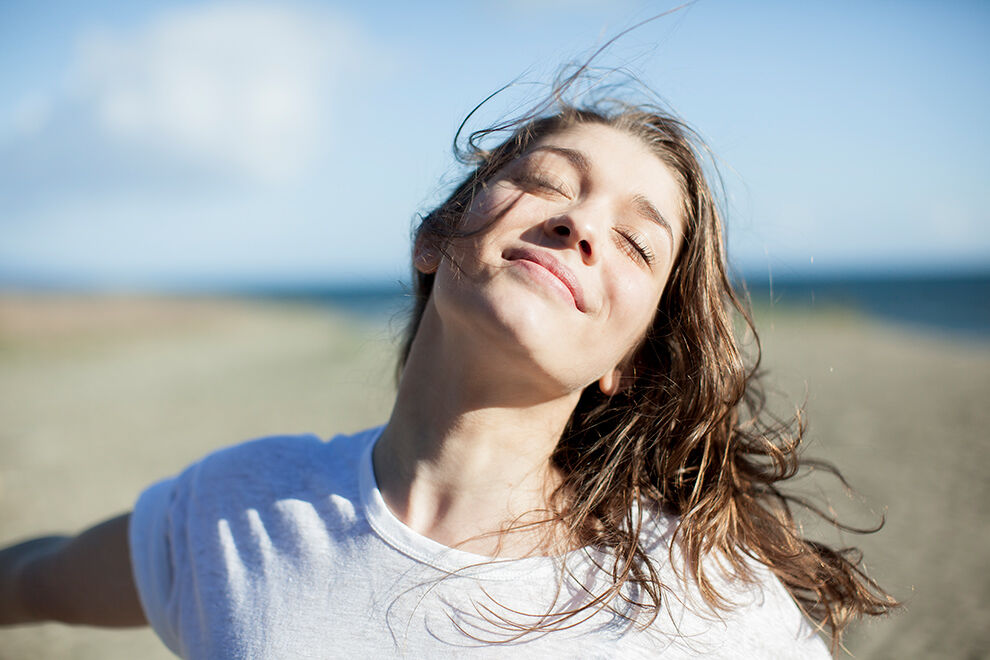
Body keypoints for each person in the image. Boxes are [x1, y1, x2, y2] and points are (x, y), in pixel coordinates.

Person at [0, 88, 896, 657]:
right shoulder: (237, 512)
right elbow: (33, 580)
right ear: (438, 237)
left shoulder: (717, 611)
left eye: (634, 240)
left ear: (630, 358)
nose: (582, 227)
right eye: (549, 182)